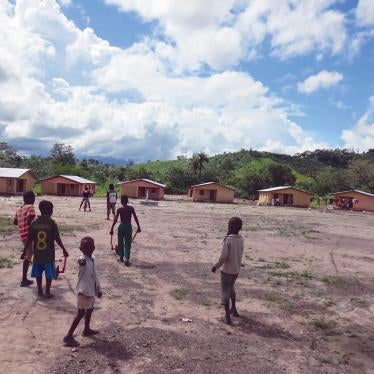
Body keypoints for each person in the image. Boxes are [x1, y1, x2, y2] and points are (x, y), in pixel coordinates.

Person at [22, 200, 69, 298]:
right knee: (49, 274)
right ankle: (47, 291)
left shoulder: (34, 223)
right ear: (48, 210)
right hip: (48, 255)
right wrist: (64, 249)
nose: (52, 211)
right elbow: (57, 238)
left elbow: (29, 239)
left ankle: (39, 291)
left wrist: (24, 251)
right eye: (51, 209)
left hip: (38, 255)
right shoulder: (51, 223)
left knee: (38, 274)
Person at [63, 237, 102, 347]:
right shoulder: (82, 259)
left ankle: (86, 329)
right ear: (81, 249)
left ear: (93, 248)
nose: (87, 250)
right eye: (85, 248)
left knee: (90, 309)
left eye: (89, 248)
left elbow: (95, 275)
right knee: (80, 313)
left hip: (91, 290)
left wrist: (98, 288)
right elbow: (81, 262)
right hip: (83, 291)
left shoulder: (93, 258)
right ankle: (68, 336)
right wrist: (81, 260)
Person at [212, 217, 244, 325]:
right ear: (240, 228)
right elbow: (239, 253)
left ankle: (227, 317)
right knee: (231, 288)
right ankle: (234, 310)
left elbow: (223, 257)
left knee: (225, 291)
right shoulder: (241, 239)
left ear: (229, 226)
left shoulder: (228, 239)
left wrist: (216, 266)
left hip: (227, 271)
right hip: (236, 270)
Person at [110, 195, 141, 266]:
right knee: (128, 242)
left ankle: (121, 257)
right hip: (128, 226)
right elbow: (135, 217)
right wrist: (138, 226)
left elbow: (115, 220)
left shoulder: (120, 209)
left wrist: (112, 228)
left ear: (121, 202)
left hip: (122, 226)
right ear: (127, 201)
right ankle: (127, 258)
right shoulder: (131, 208)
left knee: (120, 242)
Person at [14, 191, 36, 287]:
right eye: (34, 198)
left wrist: (21, 221)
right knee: (31, 255)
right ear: (31, 199)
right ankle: (24, 279)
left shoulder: (19, 209)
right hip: (30, 235)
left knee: (29, 254)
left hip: (23, 235)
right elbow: (29, 220)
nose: (34, 200)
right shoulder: (30, 207)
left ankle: (25, 278)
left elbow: (15, 222)